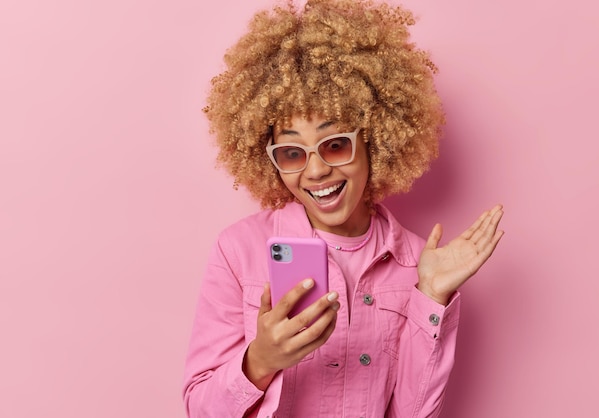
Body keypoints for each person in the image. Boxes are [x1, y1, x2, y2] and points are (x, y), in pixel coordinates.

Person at [182, 0, 504, 416]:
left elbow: (414, 412)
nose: (316, 170)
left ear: (374, 140)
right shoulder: (239, 250)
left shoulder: (418, 264)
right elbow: (198, 408)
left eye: (335, 145)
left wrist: (431, 295)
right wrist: (260, 361)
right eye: (293, 153)